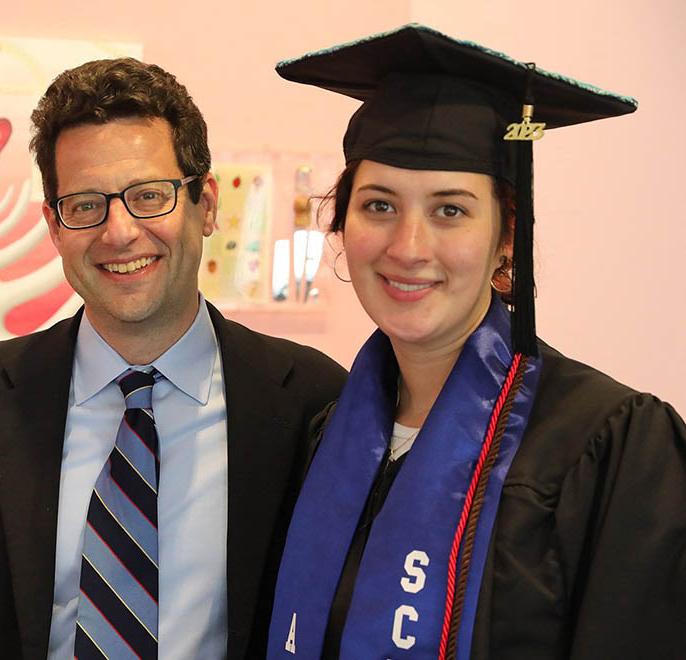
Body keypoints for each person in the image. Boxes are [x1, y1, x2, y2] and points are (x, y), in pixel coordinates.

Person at [0, 57, 346, 660]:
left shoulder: (313, 402)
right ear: (54, 224)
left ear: (206, 204)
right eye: (85, 204)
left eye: (149, 196)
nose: (119, 232)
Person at [258, 24, 686, 660]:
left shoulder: (611, 445)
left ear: (506, 239)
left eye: (450, 210)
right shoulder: (325, 435)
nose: (407, 246)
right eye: (378, 206)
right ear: (342, 225)